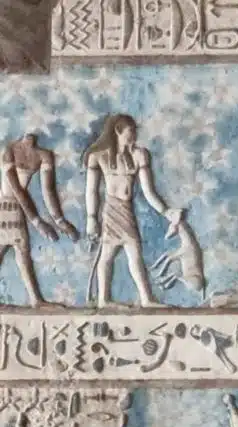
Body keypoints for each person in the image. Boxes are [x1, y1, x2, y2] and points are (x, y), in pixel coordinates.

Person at [84, 114, 182, 307]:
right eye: (131, 131)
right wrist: (91, 219)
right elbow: (91, 191)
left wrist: (166, 211)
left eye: (135, 131)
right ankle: (104, 299)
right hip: (111, 210)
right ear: (118, 131)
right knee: (107, 254)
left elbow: (148, 191)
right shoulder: (98, 157)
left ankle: (146, 298)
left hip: (126, 210)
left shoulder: (139, 155)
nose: (134, 135)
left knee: (135, 253)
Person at [0, 133, 78, 306]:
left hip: (19, 209)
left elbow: (48, 191)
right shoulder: (9, 150)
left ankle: (36, 299)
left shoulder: (44, 155)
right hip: (4, 206)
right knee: (17, 249)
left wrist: (60, 221)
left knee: (22, 251)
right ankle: (36, 299)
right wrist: (38, 223)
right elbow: (16, 190)